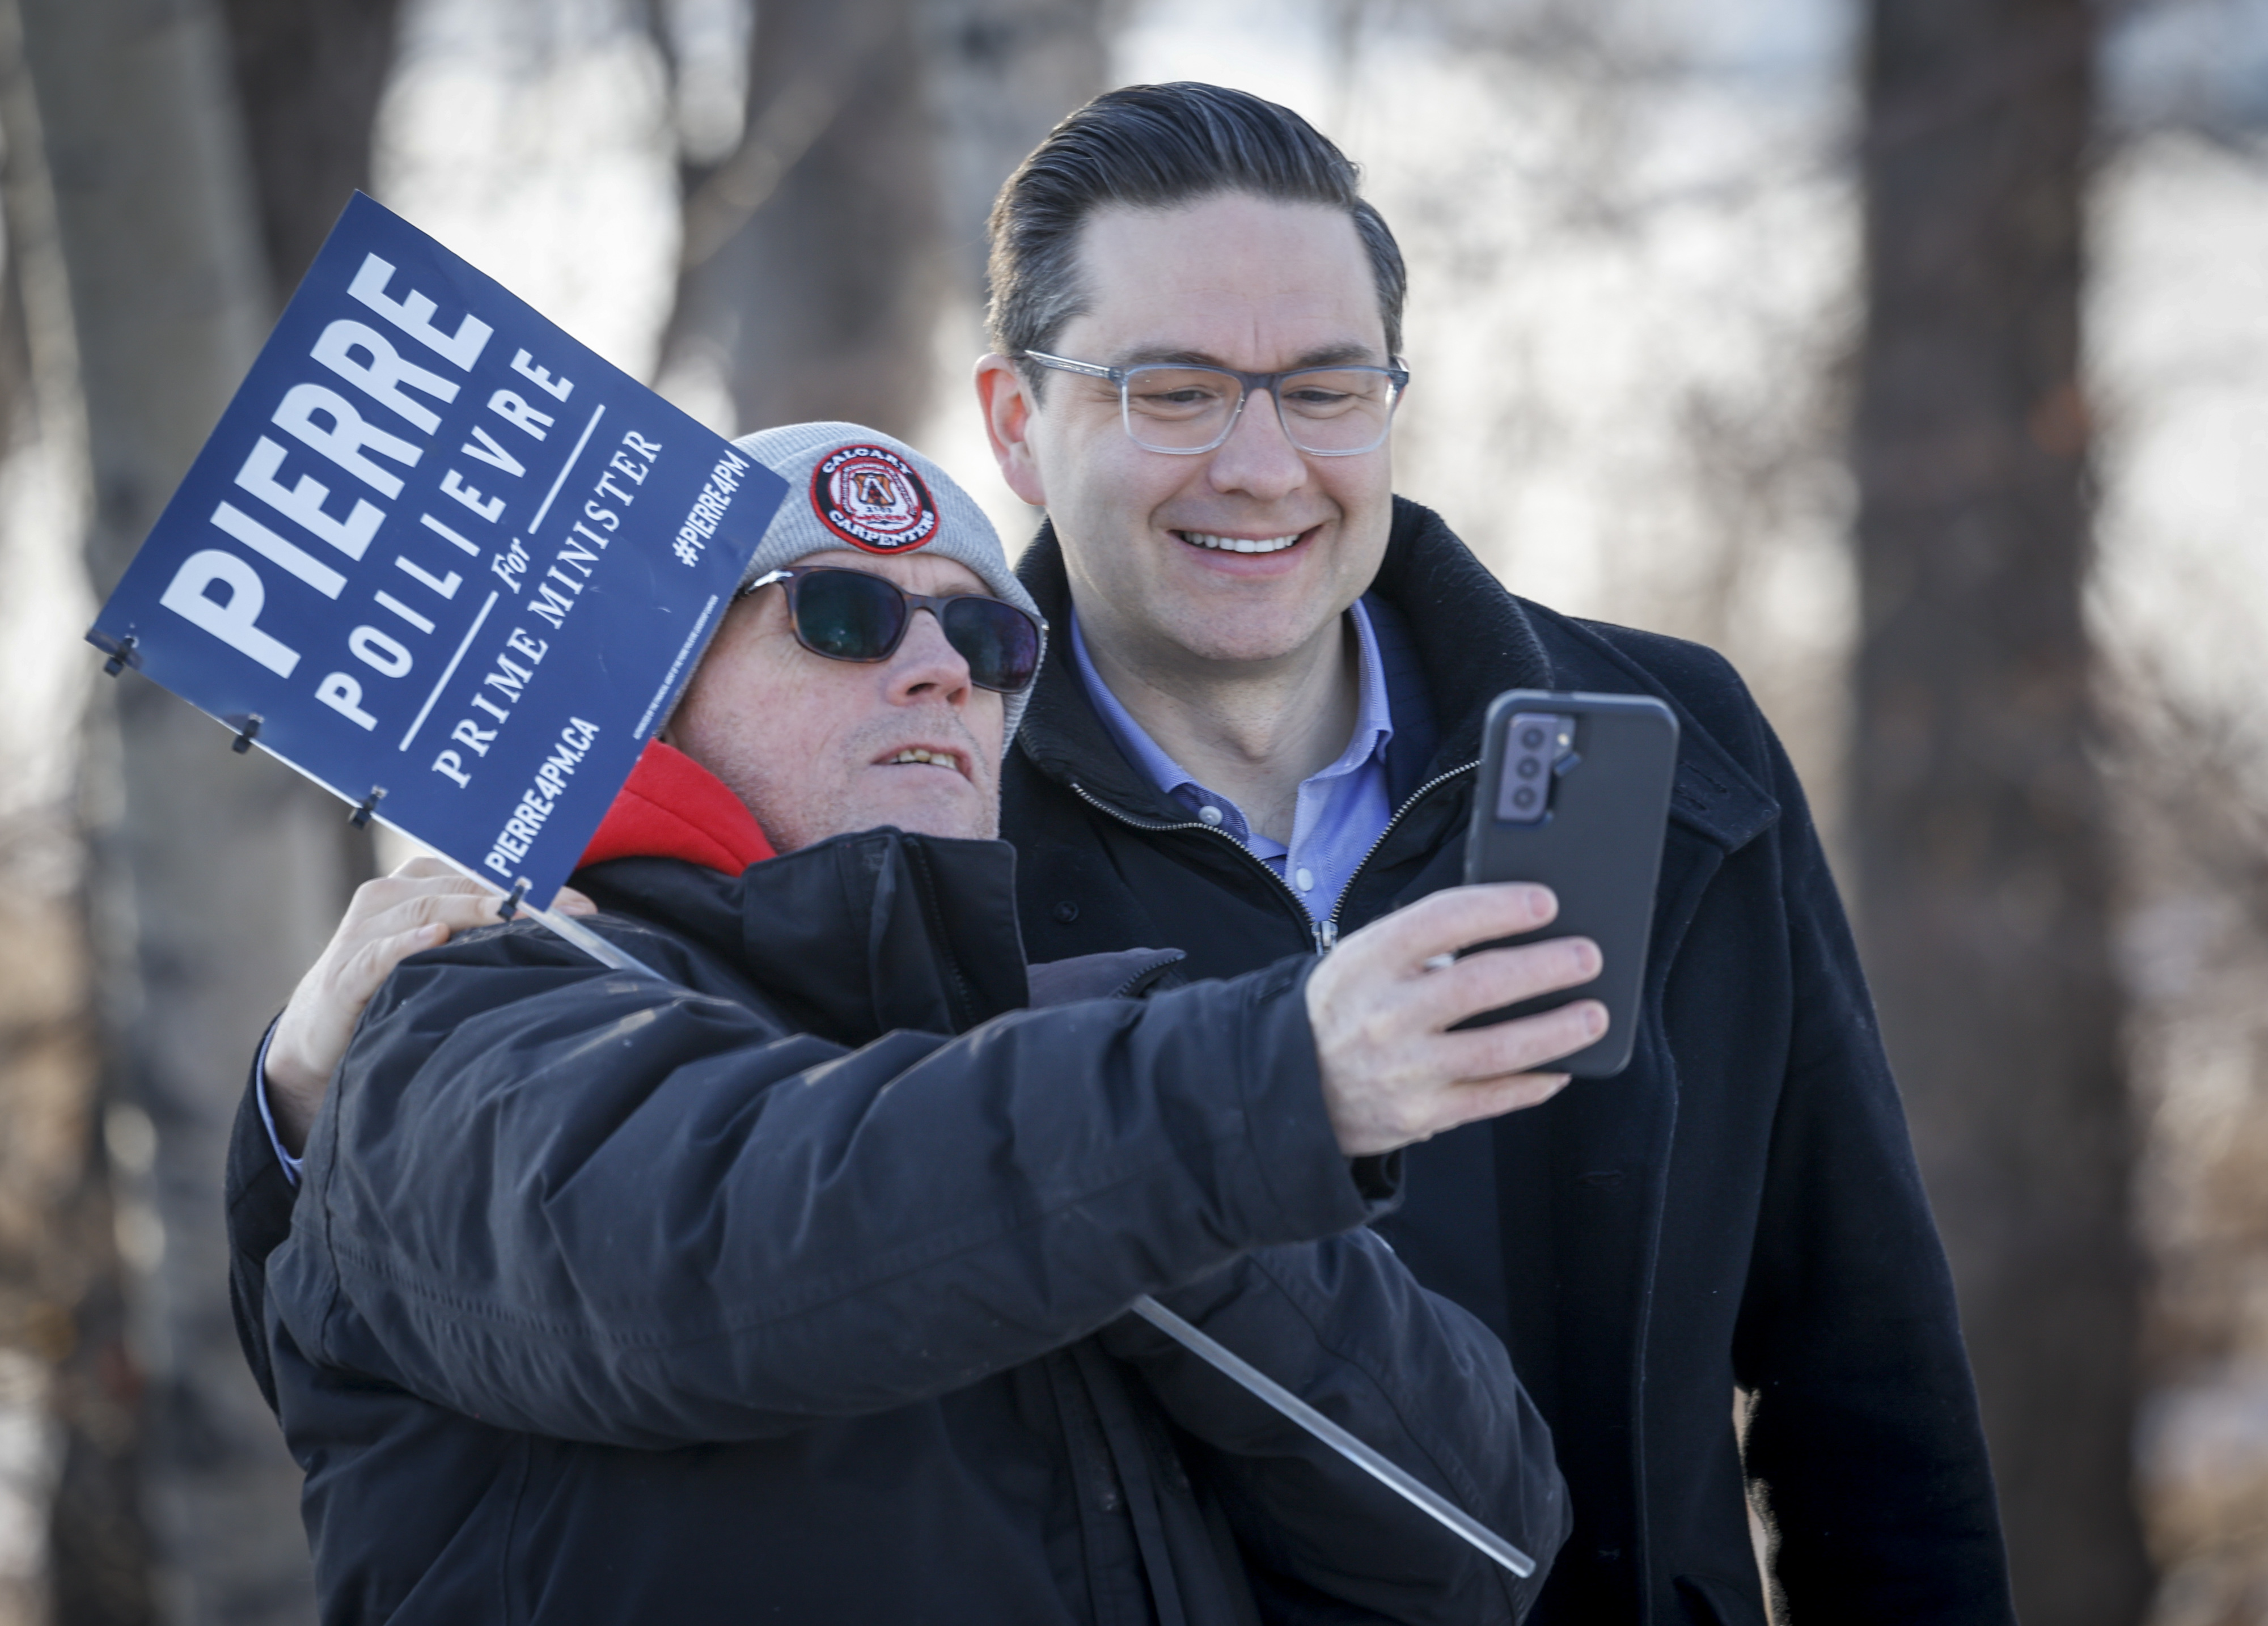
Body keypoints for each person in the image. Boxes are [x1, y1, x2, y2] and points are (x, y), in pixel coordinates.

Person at [254, 83, 2018, 1624]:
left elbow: (1849, 1375)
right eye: (1171, 389)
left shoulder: (1678, 753)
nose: (1260, 463)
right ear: (1019, 423)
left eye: (1327, 387)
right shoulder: (916, 870)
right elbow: (599, 1253)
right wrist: (291, 1111)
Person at [231, 421, 1587, 1623]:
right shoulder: (467, 1011)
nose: (943, 670)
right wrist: (1255, 1091)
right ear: (649, 689)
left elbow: (1480, 1544)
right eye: (841, 616)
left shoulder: (1081, 1056)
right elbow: (718, 1256)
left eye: (992, 641)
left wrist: (1171, 1183)